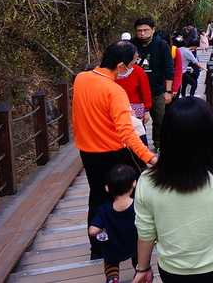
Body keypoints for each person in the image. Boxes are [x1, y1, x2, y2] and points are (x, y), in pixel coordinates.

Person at [131, 97, 213, 282]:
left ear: (166, 136)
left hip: (172, 271)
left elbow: (146, 231)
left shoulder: (147, 181)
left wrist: (143, 268)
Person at [72, 41, 156, 260]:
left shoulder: (81, 79)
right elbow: (127, 132)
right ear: (120, 66)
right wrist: (149, 157)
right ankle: (132, 241)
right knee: (131, 194)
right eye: (132, 64)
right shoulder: (114, 91)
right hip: (114, 153)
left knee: (98, 196)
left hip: (88, 153)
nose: (132, 68)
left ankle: (97, 248)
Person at [88, 164, 139, 283]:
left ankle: (113, 279)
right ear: (134, 184)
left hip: (113, 247)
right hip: (135, 244)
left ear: (107, 188)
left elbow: (92, 231)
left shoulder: (104, 210)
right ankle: (140, 275)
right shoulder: (138, 206)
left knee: (111, 262)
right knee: (139, 259)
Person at [130, 18, 174, 151]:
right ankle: (139, 147)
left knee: (160, 119)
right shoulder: (131, 45)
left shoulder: (161, 45)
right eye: (139, 31)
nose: (142, 34)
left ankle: (159, 145)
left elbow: (168, 68)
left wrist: (168, 91)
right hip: (135, 92)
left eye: (146, 30)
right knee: (137, 121)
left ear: (153, 30)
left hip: (156, 89)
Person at [115, 53, 152, 147]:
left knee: (139, 139)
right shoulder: (111, 73)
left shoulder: (138, 70)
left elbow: (145, 90)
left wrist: (147, 109)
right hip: (116, 110)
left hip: (135, 108)